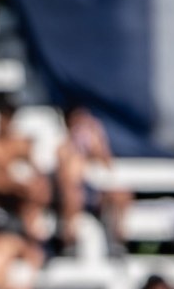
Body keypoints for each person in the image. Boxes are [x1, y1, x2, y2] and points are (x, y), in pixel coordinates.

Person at [0, 105, 53, 243]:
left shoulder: (21, 143)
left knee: (39, 187)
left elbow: (35, 167)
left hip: (20, 193)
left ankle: (36, 236)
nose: (6, 122)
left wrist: (33, 182)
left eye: (9, 118)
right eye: (3, 118)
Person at [56, 107, 131, 253]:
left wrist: (97, 145)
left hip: (97, 193)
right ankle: (69, 239)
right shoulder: (64, 147)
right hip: (76, 195)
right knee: (73, 195)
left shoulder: (96, 141)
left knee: (121, 194)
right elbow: (66, 177)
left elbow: (108, 166)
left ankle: (118, 241)